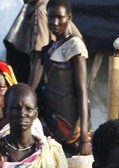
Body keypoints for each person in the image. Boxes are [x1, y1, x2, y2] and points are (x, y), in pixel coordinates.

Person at [31, 0, 90, 155]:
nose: (54, 22)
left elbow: (82, 91)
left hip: (71, 126)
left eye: (60, 17)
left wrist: (84, 138)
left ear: (69, 17)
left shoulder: (74, 46)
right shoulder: (49, 49)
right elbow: (32, 87)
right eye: (50, 17)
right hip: (51, 122)